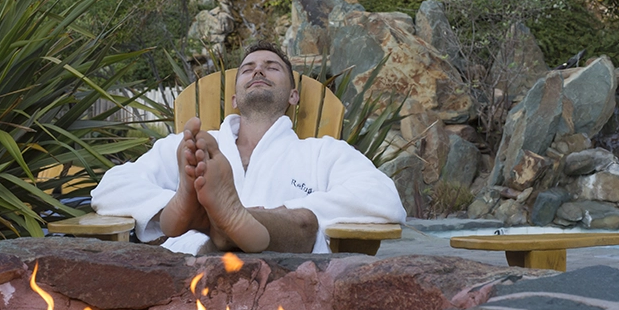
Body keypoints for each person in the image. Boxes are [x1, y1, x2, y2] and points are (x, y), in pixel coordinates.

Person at [91, 43, 405, 254]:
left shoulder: (321, 153)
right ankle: (208, 218)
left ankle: (216, 222)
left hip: (282, 276)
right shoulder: (193, 147)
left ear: (293, 96)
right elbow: (110, 189)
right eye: (248, 68)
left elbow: (383, 199)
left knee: (303, 225)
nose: (258, 71)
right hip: (191, 277)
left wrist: (291, 214)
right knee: (279, 226)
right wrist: (170, 206)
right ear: (234, 99)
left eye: (272, 67)